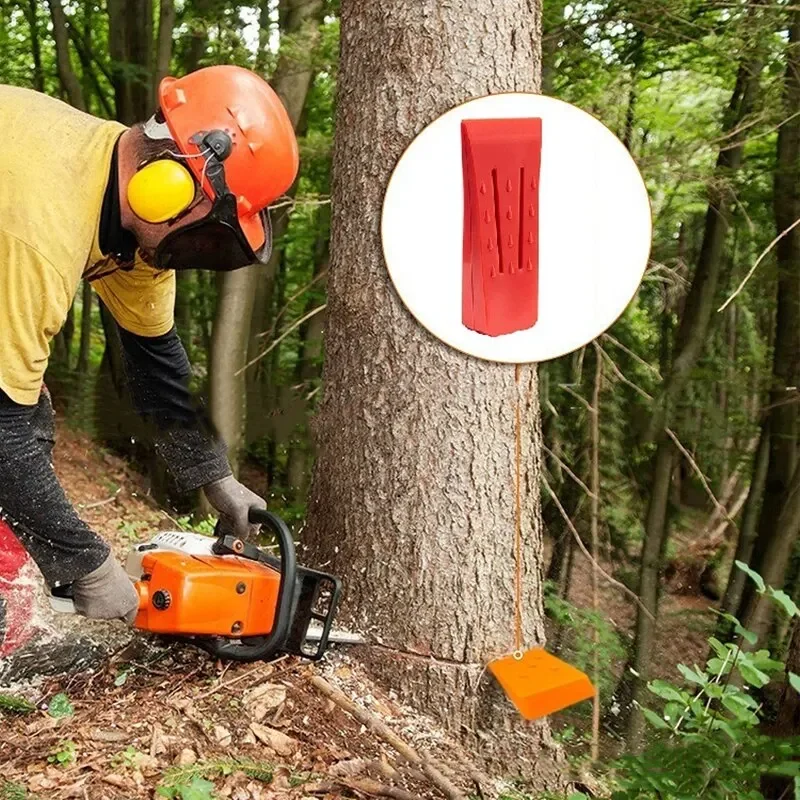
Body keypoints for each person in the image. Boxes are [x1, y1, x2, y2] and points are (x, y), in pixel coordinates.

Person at [0, 65, 299, 626]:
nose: (197, 251)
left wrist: (217, 477)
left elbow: (156, 363)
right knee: (17, 421)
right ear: (168, 184)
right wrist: (86, 566)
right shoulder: (39, 226)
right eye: (205, 230)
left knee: (27, 413)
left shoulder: (127, 220)